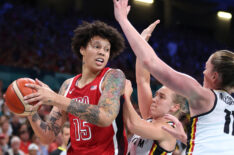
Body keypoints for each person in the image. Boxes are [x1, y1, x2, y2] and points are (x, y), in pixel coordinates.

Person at [113, 0, 234, 154]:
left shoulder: (203, 98)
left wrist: (123, 19)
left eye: (206, 68)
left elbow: (151, 62)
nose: (202, 73)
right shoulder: (229, 107)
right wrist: (186, 139)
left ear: (215, 76)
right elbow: (143, 80)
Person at [24, 20, 128, 154]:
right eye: (97, 47)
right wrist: (29, 111)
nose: (102, 52)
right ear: (82, 49)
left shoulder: (113, 76)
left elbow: (105, 117)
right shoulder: (68, 85)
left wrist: (54, 98)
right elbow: (47, 136)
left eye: (106, 49)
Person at [123, 22, 187, 155]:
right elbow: (143, 81)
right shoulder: (151, 118)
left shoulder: (167, 129)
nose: (154, 99)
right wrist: (142, 41)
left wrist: (127, 98)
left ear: (175, 106)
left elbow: (133, 125)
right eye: (156, 94)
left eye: (161, 97)